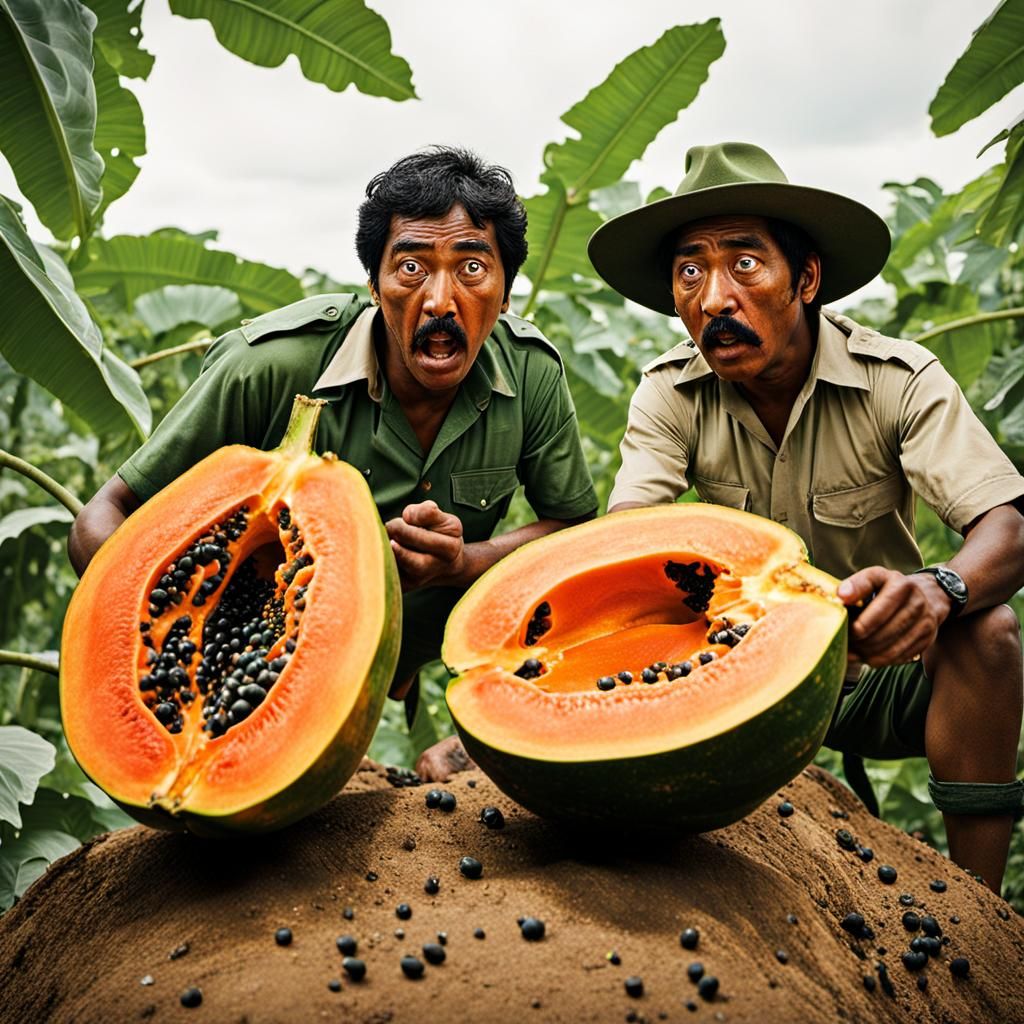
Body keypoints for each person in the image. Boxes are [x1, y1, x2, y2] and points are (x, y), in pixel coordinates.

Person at [69, 146, 598, 781]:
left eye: (472, 268)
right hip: (261, 652)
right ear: (374, 286)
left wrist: (464, 564)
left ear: (506, 292)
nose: (439, 300)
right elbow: (101, 518)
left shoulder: (532, 374)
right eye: (410, 267)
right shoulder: (270, 366)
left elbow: (573, 531)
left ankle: (473, 739)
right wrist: (188, 617)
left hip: (437, 650)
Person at [587, 141, 1024, 894]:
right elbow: (630, 536)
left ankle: (978, 917)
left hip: (881, 667)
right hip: (741, 668)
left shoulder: (898, 380)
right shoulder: (669, 394)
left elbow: (1008, 528)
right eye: (690, 270)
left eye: (745, 263)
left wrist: (934, 591)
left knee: (989, 633)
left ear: (808, 278)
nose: (715, 297)